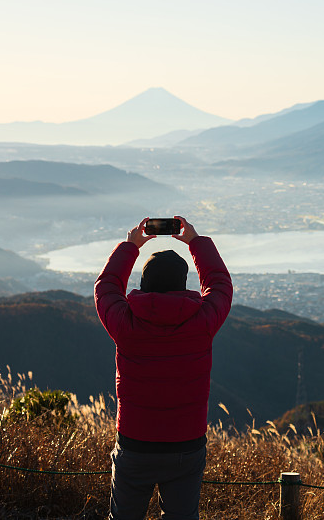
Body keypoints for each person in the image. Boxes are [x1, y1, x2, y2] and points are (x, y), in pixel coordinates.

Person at [94, 216, 233, 520]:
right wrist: (196, 242)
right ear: (182, 284)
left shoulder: (126, 323)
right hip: (186, 444)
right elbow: (220, 285)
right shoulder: (202, 323)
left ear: (144, 282)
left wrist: (130, 246)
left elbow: (106, 287)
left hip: (134, 443)